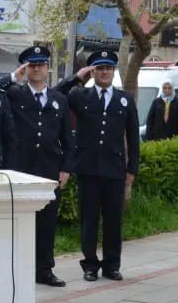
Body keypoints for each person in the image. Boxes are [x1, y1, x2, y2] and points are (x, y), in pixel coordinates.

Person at [0, 45, 74, 287]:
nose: (36, 69)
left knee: (47, 222)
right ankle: (16, 268)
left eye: (40, 64)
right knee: (18, 221)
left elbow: (68, 138)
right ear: (25, 68)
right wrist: (12, 77)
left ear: (48, 68)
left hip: (49, 169)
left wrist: (66, 167)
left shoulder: (60, 100)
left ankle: (44, 270)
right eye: (31, 65)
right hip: (20, 168)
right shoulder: (14, 94)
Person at [55, 50, 140, 282]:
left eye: (108, 68)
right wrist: (77, 77)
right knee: (89, 219)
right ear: (93, 72)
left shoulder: (125, 99)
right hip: (88, 169)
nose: (104, 72)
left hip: (114, 169)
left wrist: (132, 169)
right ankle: (90, 265)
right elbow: (55, 94)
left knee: (113, 219)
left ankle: (112, 265)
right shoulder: (81, 95)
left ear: (113, 71)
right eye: (100, 68)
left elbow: (133, 137)